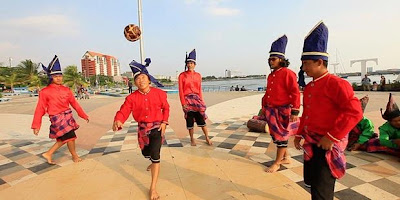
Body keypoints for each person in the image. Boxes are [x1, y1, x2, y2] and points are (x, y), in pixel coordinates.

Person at [293, 21, 362, 200]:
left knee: (322, 189)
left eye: (307, 63)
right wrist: (300, 133)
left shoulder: (338, 84)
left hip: (327, 143)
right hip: (312, 141)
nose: (304, 68)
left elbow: (354, 112)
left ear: (320, 62)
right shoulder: (309, 87)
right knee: (313, 182)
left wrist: (331, 137)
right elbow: (306, 115)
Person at [113, 58, 169, 200]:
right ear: (135, 82)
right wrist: (118, 119)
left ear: (149, 79)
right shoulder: (131, 98)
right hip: (143, 129)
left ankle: (153, 188)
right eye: (137, 79)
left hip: (157, 127)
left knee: (156, 156)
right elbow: (124, 110)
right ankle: (151, 161)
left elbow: (166, 107)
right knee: (146, 153)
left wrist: (164, 122)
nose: (141, 80)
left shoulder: (160, 94)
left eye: (143, 77)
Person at [32, 55, 89, 164]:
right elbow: (40, 109)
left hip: (68, 116)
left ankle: (50, 154)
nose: (58, 78)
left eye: (60, 75)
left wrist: (83, 115)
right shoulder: (45, 92)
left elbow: (75, 104)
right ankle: (72, 156)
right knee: (69, 136)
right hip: (57, 118)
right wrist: (36, 125)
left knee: (68, 137)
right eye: (55, 76)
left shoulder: (66, 90)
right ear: (50, 77)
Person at [261, 35, 301, 173]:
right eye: (269, 59)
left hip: (283, 110)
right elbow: (268, 93)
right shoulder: (271, 75)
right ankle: (286, 157)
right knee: (275, 136)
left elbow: (295, 92)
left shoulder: (288, 73)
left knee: (281, 137)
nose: (271, 61)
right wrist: (264, 107)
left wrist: (295, 112)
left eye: (273, 59)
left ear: (281, 60)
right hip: (271, 111)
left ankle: (277, 163)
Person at [178, 49, 212, 146]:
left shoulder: (198, 75)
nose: (190, 65)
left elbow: (199, 89)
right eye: (188, 63)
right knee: (190, 121)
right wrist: (183, 103)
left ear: (195, 64)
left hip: (197, 101)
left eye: (192, 63)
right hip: (187, 101)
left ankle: (207, 137)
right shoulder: (182, 75)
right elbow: (181, 90)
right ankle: (192, 139)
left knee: (202, 120)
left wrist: (202, 101)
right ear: (186, 64)